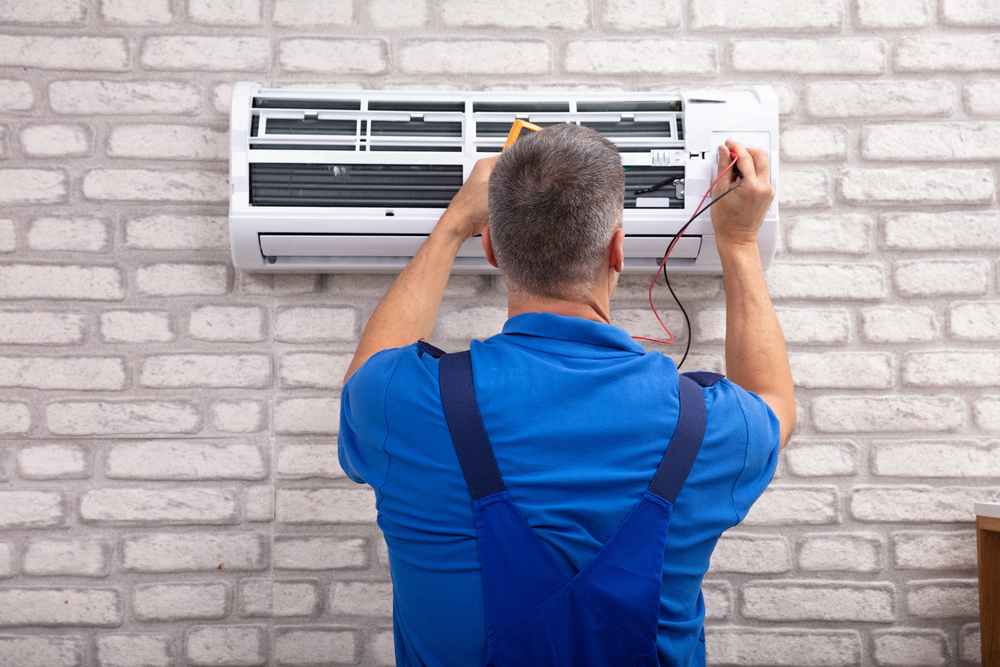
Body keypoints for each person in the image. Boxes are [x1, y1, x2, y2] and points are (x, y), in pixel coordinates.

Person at [338, 123, 796, 666]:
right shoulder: (710, 427)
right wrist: (740, 244)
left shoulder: (401, 404)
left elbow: (367, 373)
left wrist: (452, 226)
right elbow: (774, 402)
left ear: (491, 248)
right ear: (618, 250)